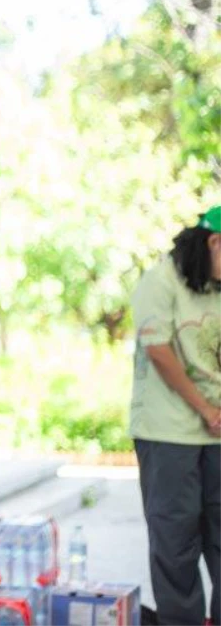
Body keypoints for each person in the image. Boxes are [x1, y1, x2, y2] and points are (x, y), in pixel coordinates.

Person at [130, 205, 221, 626]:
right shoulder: (161, 280)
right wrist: (206, 409)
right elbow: (159, 350)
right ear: (214, 243)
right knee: (176, 546)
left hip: (217, 436)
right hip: (170, 436)